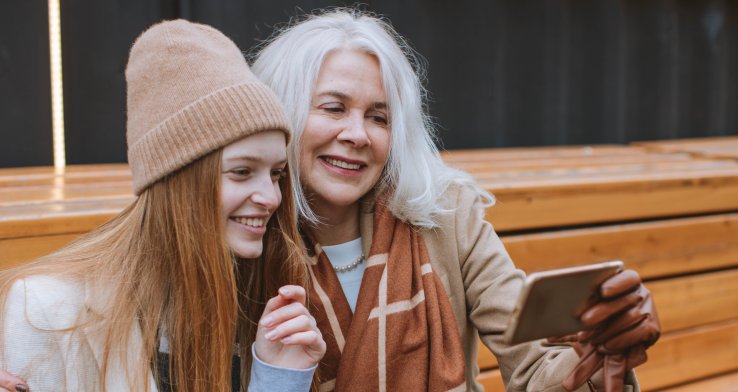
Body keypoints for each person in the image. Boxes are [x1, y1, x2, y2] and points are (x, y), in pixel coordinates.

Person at [249, 8, 660, 392]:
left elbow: (535, 365)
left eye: (379, 118)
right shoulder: (246, 236)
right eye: (334, 108)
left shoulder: (447, 213)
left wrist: (597, 353)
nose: (358, 135)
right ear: (281, 112)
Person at [0, 20, 325, 392]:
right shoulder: (46, 311)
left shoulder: (260, 306)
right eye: (241, 172)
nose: (270, 197)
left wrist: (279, 380)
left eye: (276, 174)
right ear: (175, 180)